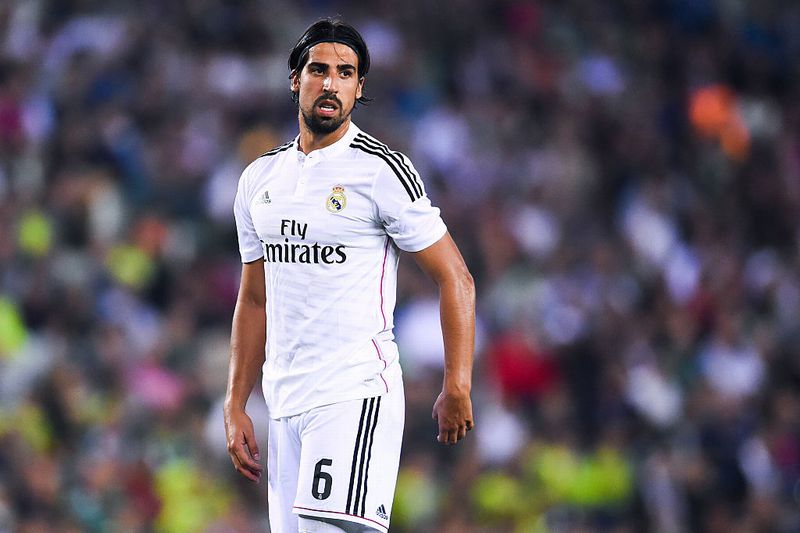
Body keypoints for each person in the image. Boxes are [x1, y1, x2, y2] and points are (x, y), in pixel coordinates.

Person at [223, 18, 475, 533]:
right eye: (319, 69)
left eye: (345, 73)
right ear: (296, 79)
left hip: (353, 395)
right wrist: (235, 401)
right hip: (284, 404)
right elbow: (254, 300)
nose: (331, 83)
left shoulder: (381, 171)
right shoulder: (259, 179)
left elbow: (456, 278)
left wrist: (457, 382)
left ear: (360, 88)